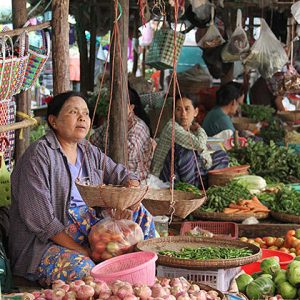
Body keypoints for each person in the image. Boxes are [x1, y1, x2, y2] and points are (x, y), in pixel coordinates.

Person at [9, 91, 155, 286]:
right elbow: (42, 222)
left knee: (142, 214)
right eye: (73, 112)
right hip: (45, 244)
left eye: (85, 113)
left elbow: (121, 174)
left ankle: (141, 273)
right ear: (54, 121)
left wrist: (131, 189)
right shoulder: (39, 156)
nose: (82, 118)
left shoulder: (87, 150)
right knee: (86, 271)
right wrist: (83, 250)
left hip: (89, 231)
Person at [151, 94, 229, 188]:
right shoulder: (171, 127)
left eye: (187, 109)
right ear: (174, 112)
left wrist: (206, 162)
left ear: (195, 112)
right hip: (165, 177)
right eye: (179, 109)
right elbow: (199, 144)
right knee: (186, 150)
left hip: (186, 172)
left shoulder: (191, 130)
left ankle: (201, 184)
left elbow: (205, 153)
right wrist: (200, 129)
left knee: (222, 155)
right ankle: (191, 189)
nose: (183, 114)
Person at [90, 86, 154, 181]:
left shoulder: (138, 127)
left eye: (120, 104)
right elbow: (93, 141)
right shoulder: (110, 123)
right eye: (113, 104)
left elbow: (124, 156)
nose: (115, 107)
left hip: (133, 180)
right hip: (112, 177)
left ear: (131, 107)